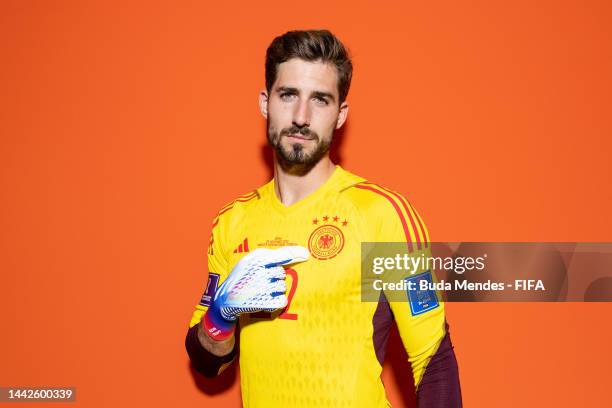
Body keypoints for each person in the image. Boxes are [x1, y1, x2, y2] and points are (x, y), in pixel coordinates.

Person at [185, 29, 462, 407]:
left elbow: (433, 359)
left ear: (340, 114)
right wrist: (221, 315)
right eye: (288, 95)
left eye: (320, 99)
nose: (301, 117)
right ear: (265, 103)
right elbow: (207, 363)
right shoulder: (234, 222)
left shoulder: (380, 215)